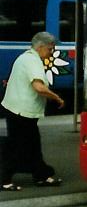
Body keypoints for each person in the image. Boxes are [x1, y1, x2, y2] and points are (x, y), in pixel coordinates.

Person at [1, 32, 65, 191]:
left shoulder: (25, 58)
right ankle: (4, 179)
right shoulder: (33, 61)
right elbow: (38, 87)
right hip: (21, 112)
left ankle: (41, 175)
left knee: (32, 144)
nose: (51, 53)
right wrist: (57, 98)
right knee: (20, 146)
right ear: (41, 47)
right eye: (50, 49)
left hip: (18, 110)